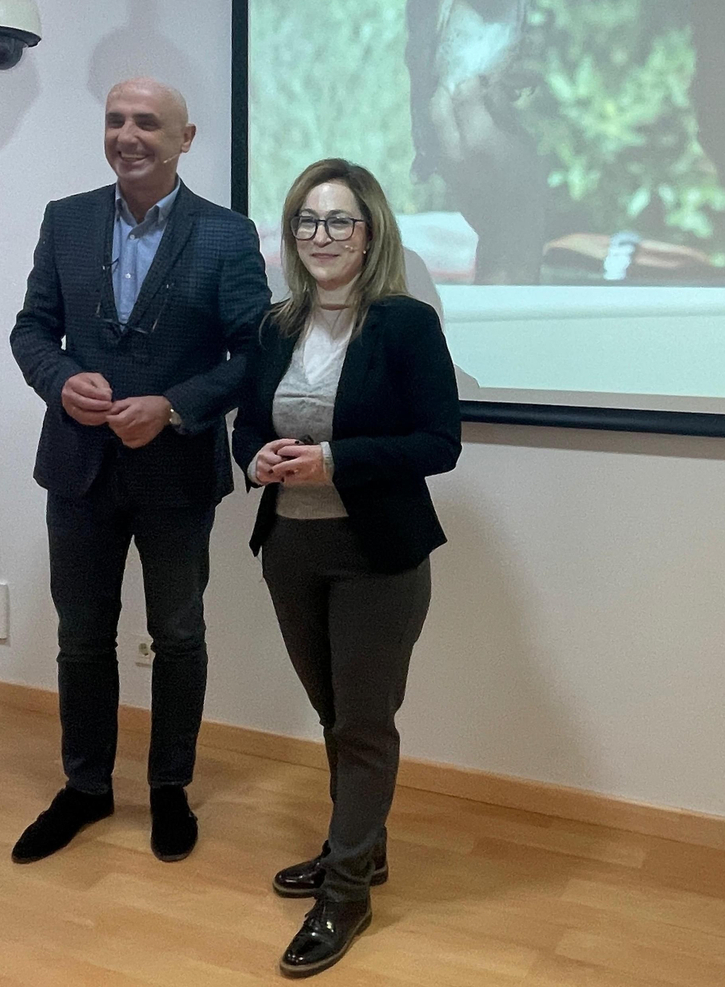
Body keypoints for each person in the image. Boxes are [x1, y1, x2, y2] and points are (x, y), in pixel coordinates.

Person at [8, 77, 269, 865]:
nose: (128, 134)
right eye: (117, 120)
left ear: (185, 139)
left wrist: (177, 405)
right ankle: (86, 787)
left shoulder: (227, 236)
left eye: (148, 123)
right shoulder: (67, 220)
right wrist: (60, 382)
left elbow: (256, 354)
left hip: (176, 474)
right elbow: (31, 331)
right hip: (78, 469)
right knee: (81, 637)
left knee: (178, 634)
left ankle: (168, 788)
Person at [232, 158, 461, 976]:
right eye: (306, 221)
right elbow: (244, 429)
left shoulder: (404, 325)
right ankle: (360, 848)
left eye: (339, 222)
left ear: (370, 235)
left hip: (378, 557)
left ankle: (348, 890)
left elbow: (440, 444)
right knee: (335, 716)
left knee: (365, 725)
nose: (320, 236)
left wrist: (336, 460)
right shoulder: (275, 325)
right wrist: (256, 458)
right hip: (289, 550)